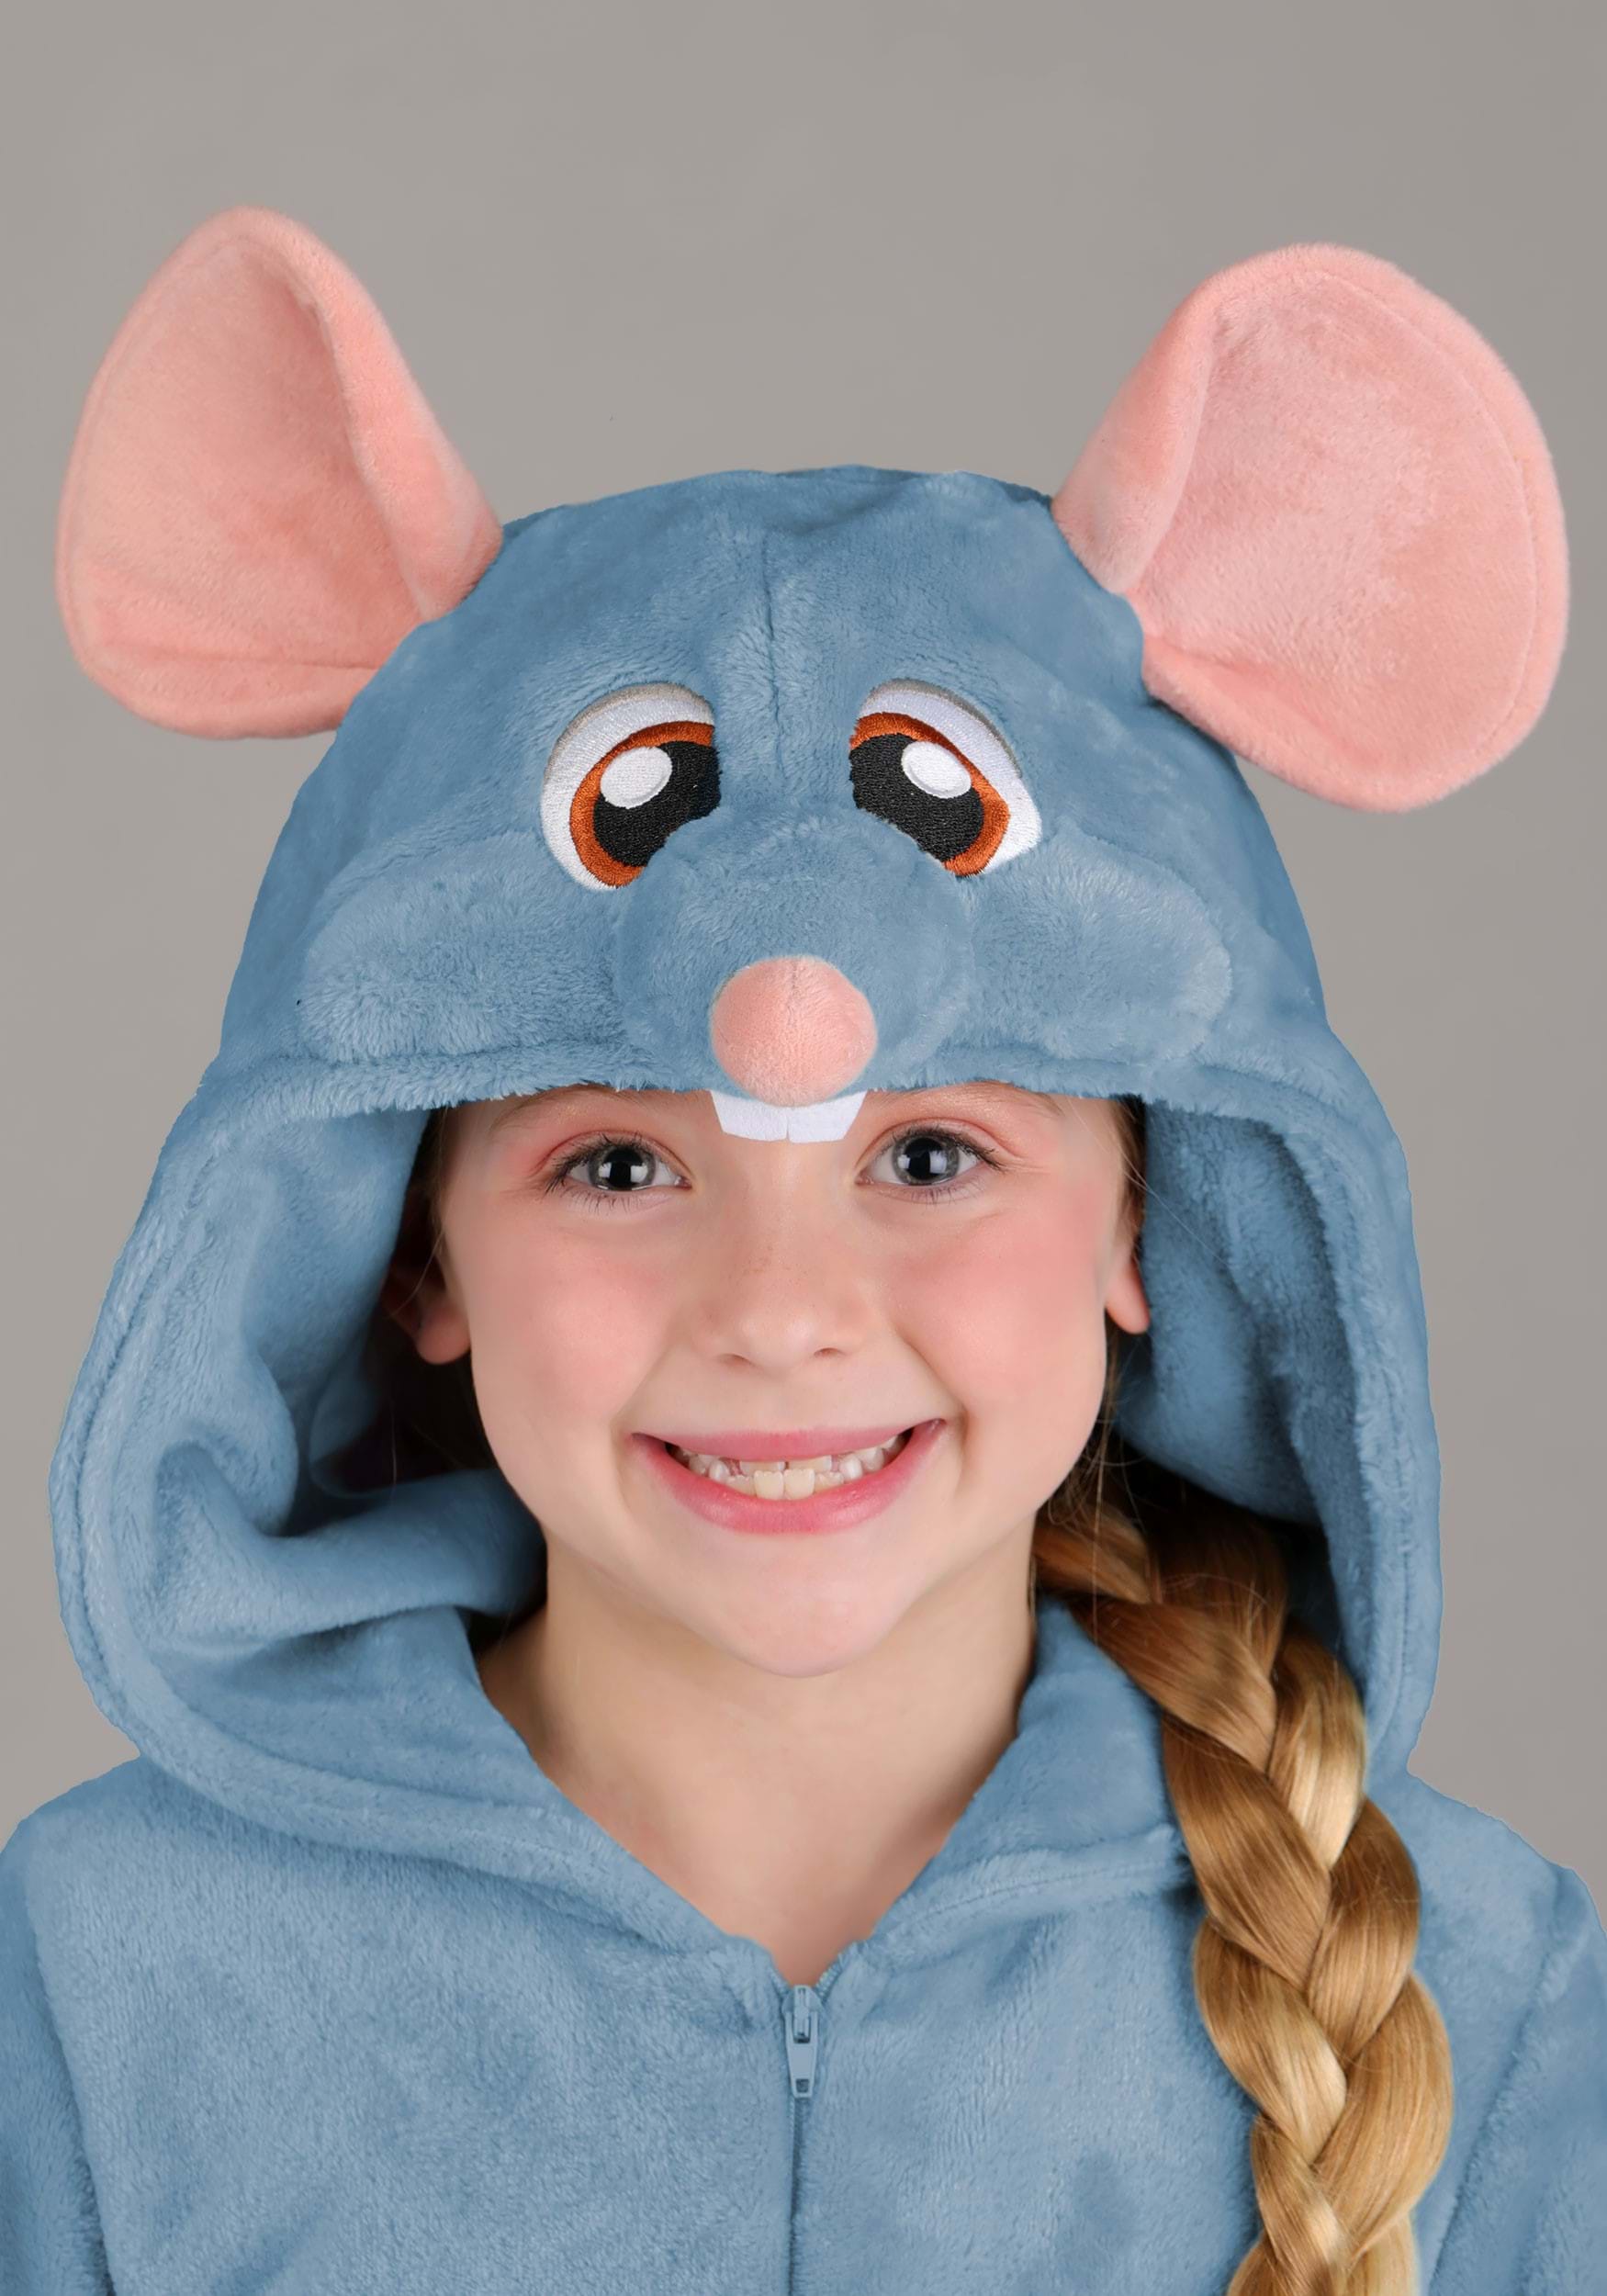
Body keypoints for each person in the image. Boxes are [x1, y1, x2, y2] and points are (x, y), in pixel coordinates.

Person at [3, 203, 1601, 2294]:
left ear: (1145, 1220)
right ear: (417, 1258)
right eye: (615, 1166)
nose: (777, 1314)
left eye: (928, 1155)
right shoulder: (90, 1984)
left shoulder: (1492, 1999)